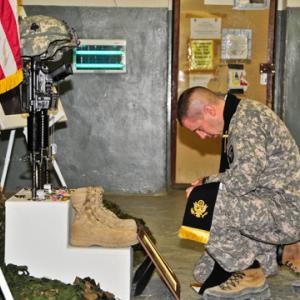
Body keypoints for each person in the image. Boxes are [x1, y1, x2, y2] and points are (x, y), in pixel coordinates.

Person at [177, 86, 300, 299]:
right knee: (204, 272)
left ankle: (251, 273)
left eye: (198, 129)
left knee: (205, 202)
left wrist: (204, 185)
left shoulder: (247, 120)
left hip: (286, 211)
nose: (202, 137)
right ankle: (282, 251)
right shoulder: (238, 117)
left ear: (210, 111)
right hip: (267, 203)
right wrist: (207, 183)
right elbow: (242, 177)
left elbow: (243, 179)